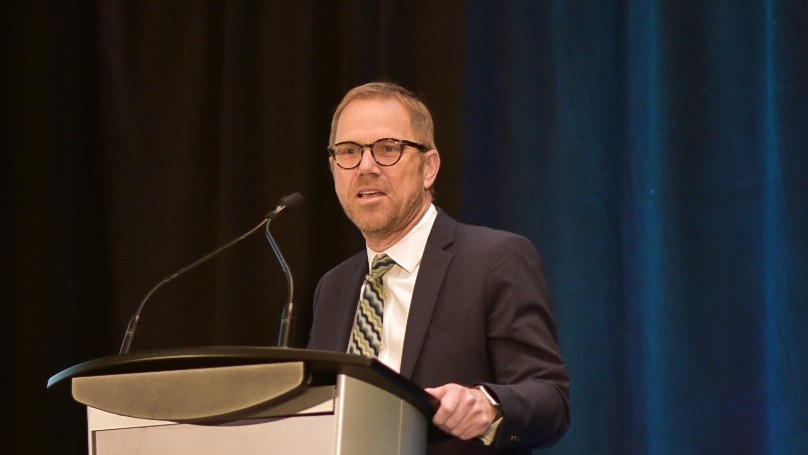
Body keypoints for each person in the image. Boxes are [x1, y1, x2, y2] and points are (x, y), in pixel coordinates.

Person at [308, 82, 570, 454]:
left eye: (387, 149)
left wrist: (489, 406)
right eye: (349, 152)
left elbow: (551, 399)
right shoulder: (333, 286)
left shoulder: (494, 258)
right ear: (334, 169)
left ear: (429, 167)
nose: (365, 167)